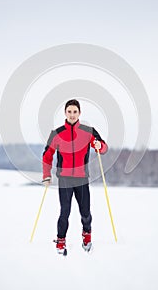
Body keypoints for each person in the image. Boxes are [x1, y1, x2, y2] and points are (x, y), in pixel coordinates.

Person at [42, 99, 108, 254]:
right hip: (64, 179)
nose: (72, 115)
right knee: (64, 211)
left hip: (82, 179)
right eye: (69, 111)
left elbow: (103, 148)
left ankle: (87, 236)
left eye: (75, 112)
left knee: (85, 212)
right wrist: (46, 175)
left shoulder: (88, 131)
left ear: (79, 113)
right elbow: (47, 155)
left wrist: (100, 146)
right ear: (65, 113)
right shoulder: (57, 133)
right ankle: (61, 241)